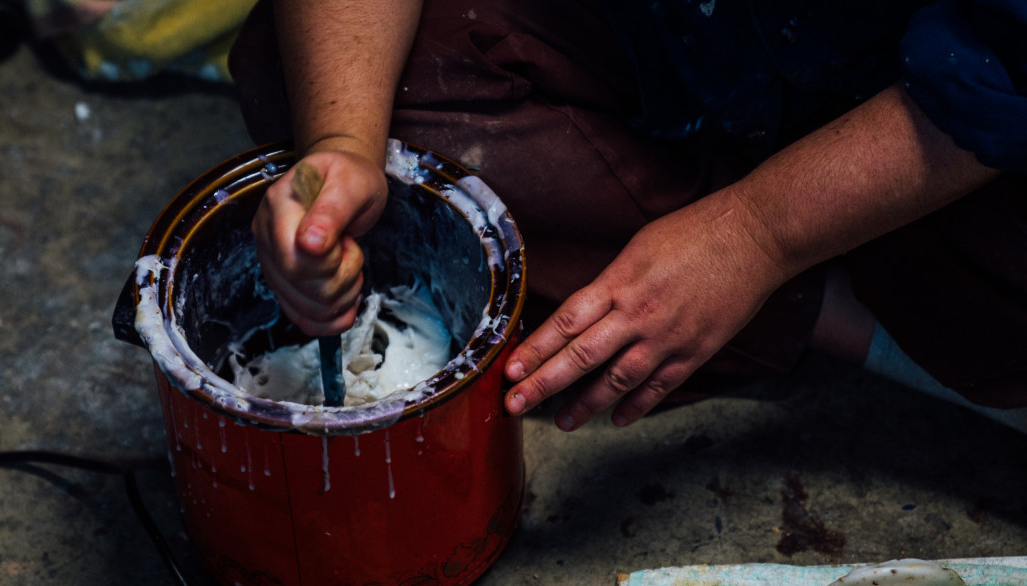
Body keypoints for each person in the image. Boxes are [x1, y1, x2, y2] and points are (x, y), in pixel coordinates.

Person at [228, 0, 1027, 432]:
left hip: (943, 119)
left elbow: (1004, 65)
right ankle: (829, 311)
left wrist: (757, 233)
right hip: (673, 39)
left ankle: (768, 275)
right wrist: (344, 145)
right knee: (321, 75)